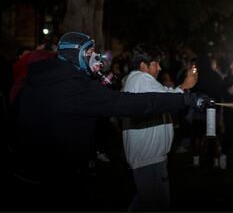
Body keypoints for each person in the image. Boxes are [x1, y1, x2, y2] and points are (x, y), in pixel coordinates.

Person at [10, 32, 206, 211]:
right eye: (91, 52)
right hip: (58, 179)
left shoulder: (38, 79)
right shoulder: (75, 88)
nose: (97, 57)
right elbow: (130, 104)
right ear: (76, 54)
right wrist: (184, 97)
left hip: (26, 174)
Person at [121, 43, 197, 211]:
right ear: (143, 65)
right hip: (149, 158)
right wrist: (184, 87)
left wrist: (181, 88)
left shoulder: (140, 81)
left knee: (145, 201)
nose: (160, 68)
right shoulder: (141, 79)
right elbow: (167, 101)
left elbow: (165, 96)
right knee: (158, 204)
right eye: (156, 63)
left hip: (148, 157)